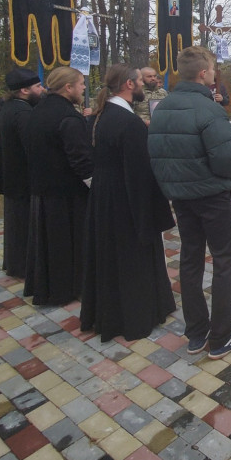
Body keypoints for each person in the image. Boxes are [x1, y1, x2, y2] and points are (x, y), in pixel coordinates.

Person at [149, 46, 231, 357]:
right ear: (204, 73)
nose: (213, 73)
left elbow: (156, 154)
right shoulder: (208, 109)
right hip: (211, 197)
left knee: (191, 258)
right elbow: (228, 158)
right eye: (212, 68)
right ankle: (221, 336)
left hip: (181, 198)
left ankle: (196, 332)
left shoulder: (163, 108)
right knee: (224, 260)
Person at [80, 64, 175, 342]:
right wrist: (152, 212)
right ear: (129, 85)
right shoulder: (129, 123)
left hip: (104, 197)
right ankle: (135, 315)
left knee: (110, 256)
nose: (143, 86)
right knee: (130, 258)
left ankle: (109, 312)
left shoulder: (101, 116)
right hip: (126, 201)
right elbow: (139, 173)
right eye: (139, 81)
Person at [24, 66, 93, 306]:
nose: (84, 88)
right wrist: (94, 184)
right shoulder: (68, 117)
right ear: (68, 87)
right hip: (67, 192)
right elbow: (80, 159)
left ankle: (49, 287)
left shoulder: (37, 110)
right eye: (81, 84)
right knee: (67, 245)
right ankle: (68, 288)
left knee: (49, 244)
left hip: (43, 189)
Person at [0, 67, 44, 277]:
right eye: (38, 86)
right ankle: (25, 266)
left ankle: (15, 263)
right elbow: (32, 147)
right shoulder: (23, 113)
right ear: (24, 90)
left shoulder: (8, 107)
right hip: (23, 178)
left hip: (12, 177)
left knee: (16, 223)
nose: (42, 90)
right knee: (23, 224)